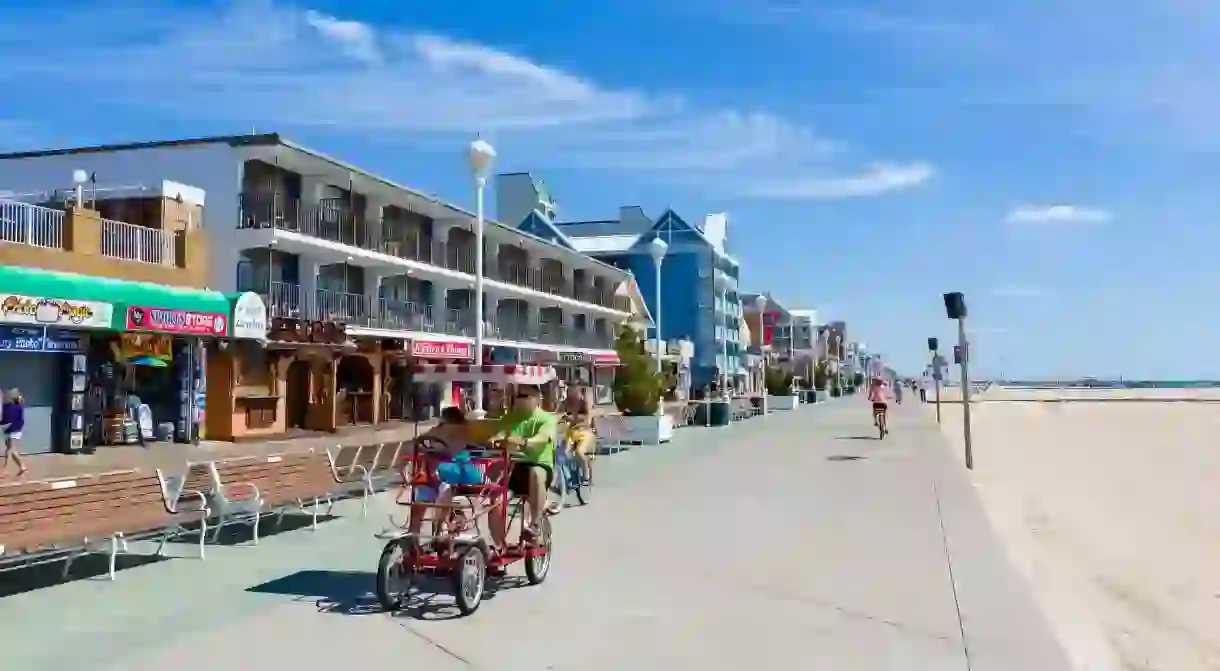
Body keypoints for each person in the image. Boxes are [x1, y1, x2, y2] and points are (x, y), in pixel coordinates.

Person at [488, 385, 556, 549]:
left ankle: (535, 525)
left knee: (535, 473)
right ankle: (499, 546)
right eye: (519, 395)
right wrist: (494, 440)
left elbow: (544, 437)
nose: (521, 399)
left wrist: (524, 442)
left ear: (537, 398)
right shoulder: (510, 418)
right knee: (494, 496)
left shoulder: (545, 418)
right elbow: (499, 434)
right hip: (513, 467)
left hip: (538, 465)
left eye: (526, 396)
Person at [406, 406, 472, 536]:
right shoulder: (441, 430)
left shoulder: (458, 431)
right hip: (436, 473)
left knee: (441, 490)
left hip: (451, 471)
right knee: (422, 498)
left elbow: (421, 441)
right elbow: (420, 441)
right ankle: (415, 535)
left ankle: (435, 530)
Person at [560, 386, 594, 486]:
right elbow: (558, 413)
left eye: (576, 393)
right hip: (571, 432)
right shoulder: (567, 402)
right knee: (563, 453)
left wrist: (575, 422)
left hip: (584, 432)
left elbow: (588, 420)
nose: (573, 395)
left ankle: (586, 475)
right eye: (571, 392)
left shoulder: (585, 403)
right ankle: (567, 475)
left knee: (579, 451)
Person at [1, 389, 28, 478]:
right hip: (8, 429)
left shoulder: (18, 406)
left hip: (14, 430)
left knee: (9, 449)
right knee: (12, 451)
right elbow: (3, 417)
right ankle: (22, 467)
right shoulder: (6, 406)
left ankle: (5, 470)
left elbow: (18, 419)